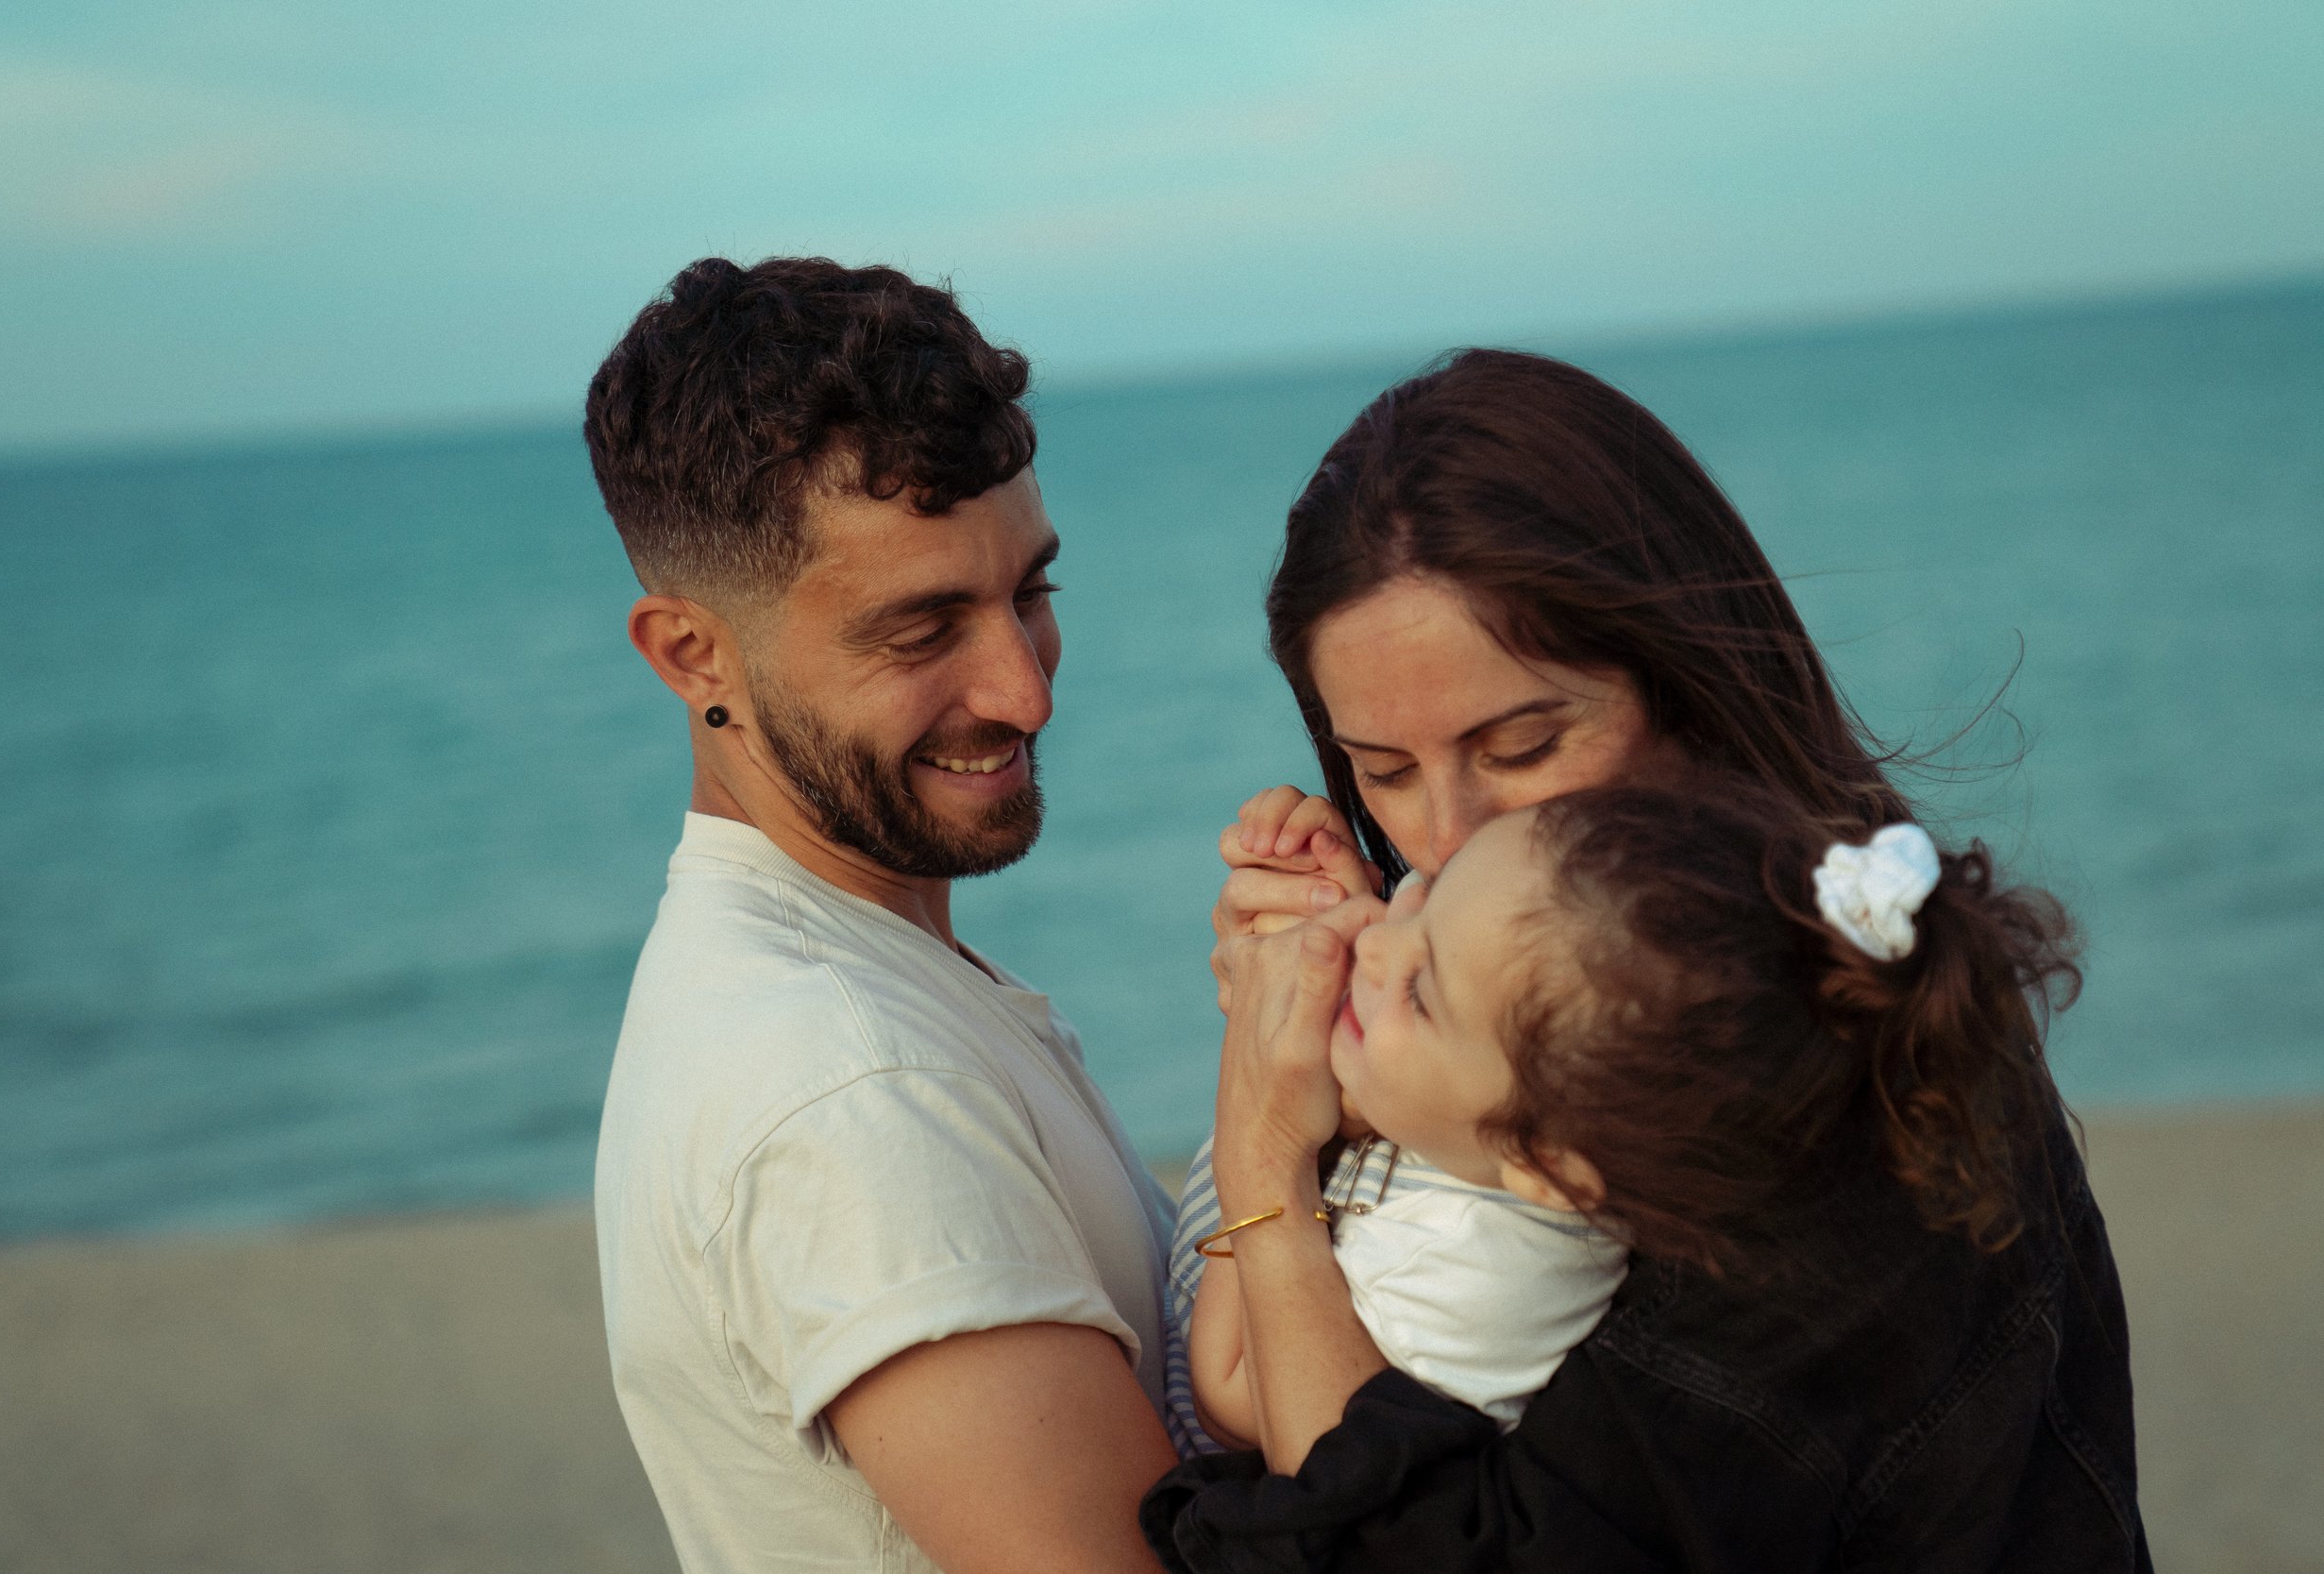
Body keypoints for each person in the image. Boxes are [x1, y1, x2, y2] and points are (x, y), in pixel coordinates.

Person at [1155, 348, 2147, 1566]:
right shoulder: (1688, 1016)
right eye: (1385, 771)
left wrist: (1268, 1137)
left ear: (1690, 686)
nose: (1451, 841)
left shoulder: (1800, 1100)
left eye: (1522, 744)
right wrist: (1390, 1036)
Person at [584, 256, 1176, 1574]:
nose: (1025, 691)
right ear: (694, 654)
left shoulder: (857, 978)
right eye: (923, 630)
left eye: (1033, 591)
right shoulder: (849, 1087)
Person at [1150, 784, 2140, 1569]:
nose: (1371, 937)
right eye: (1421, 892)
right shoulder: (1520, 1126)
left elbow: (1252, 1408)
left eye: (1416, 985)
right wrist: (1368, 952)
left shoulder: (1470, 1280)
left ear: (1545, 1161)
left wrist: (1264, 1128)